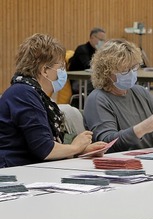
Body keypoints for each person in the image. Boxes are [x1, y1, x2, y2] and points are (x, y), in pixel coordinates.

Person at [0, 34, 106, 168]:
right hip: (14, 172)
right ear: (45, 70)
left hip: (30, 168)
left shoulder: (33, 93)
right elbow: (44, 149)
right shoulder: (23, 94)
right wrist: (76, 148)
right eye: (61, 67)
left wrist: (82, 150)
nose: (63, 72)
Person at [85, 39, 153, 153]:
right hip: (120, 164)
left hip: (150, 159)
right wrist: (142, 128)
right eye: (125, 70)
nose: (131, 73)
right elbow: (107, 144)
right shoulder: (98, 99)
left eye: (134, 68)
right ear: (106, 73)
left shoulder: (140, 92)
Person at [68, 27, 107, 98]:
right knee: (102, 83)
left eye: (103, 40)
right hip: (78, 82)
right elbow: (88, 65)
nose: (102, 42)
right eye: (100, 40)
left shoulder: (98, 51)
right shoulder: (82, 49)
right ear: (92, 37)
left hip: (89, 80)